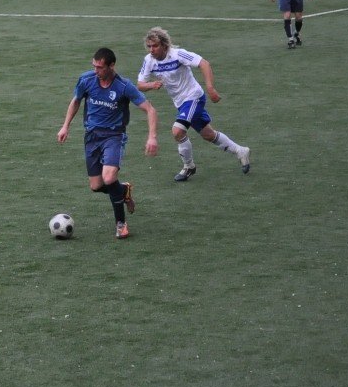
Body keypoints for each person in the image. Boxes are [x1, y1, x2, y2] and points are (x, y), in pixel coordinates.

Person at [57, 47, 158, 239]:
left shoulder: (124, 86)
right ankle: (123, 190)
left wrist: (152, 136)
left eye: (100, 68)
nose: (96, 71)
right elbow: (76, 100)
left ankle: (121, 224)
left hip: (114, 137)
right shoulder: (86, 79)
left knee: (109, 177)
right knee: (96, 186)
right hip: (92, 137)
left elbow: (150, 110)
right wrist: (65, 126)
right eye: (94, 67)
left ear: (111, 66)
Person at [137, 27, 250, 182]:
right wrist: (151, 85)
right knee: (208, 134)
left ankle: (188, 166)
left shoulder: (177, 54)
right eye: (149, 46)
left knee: (177, 131)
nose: (151, 50)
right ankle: (240, 151)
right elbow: (140, 84)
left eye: (155, 46)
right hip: (181, 103)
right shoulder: (149, 60)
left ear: (164, 45)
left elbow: (204, 63)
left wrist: (210, 87)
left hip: (194, 97)